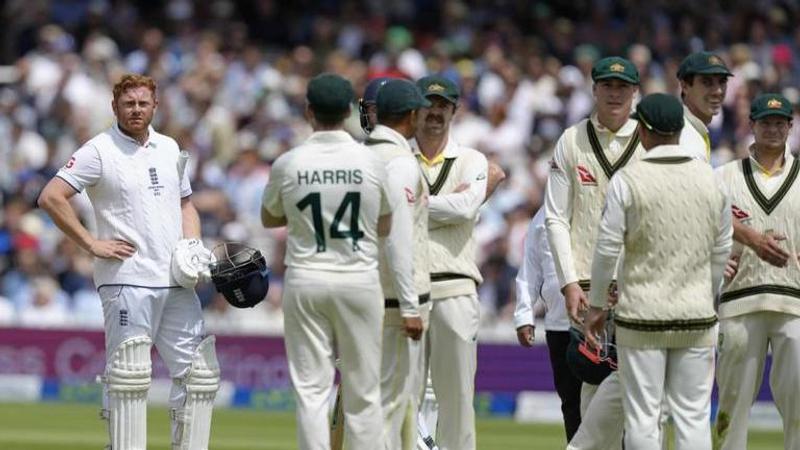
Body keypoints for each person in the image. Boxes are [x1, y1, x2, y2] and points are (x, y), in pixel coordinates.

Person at [37, 73, 218, 450]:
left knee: (199, 377)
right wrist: (90, 242)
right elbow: (51, 197)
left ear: (156, 105)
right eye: (129, 103)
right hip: (127, 279)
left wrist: (193, 245)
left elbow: (186, 204)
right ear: (115, 106)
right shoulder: (98, 150)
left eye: (143, 103)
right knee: (130, 377)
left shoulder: (170, 148)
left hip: (176, 281)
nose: (136, 109)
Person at [584, 93, 732, 450]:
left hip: (642, 319)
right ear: (680, 129)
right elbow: (722, 250)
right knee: (693, 417)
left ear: (644, 131)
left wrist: (597, 305)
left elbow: (607, 249)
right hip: (696, 317)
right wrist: (704, 294)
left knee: (643, 418)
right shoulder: (712, 180)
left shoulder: (628, 179)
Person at [261, 73, 392, 450]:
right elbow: (385, 223)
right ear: (350, 110)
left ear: (308, 111)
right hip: (359, 279)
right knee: (364, 390)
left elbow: (270, 218)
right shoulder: (370, 161)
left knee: (312, 391)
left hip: (307, 278)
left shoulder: (290, 162)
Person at [543, 56, 642, 449]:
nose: (614, 93)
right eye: (607, 85)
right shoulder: (571, 139)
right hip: (586, 287)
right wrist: (568, 282)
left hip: (638, 287)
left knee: (639, 402)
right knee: (591, 395)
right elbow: (555, 217)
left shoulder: (648, 141)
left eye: (623, 87)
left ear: (635, 92)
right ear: (595, 89)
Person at [714, 93, 800, 450]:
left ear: (790, 127)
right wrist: (717, 260)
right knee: (732, 408)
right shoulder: (724, 177)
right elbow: (703, 230)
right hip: (738, 302)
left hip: (794, 304)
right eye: (766, 122)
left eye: (780, 123)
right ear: (752, 126)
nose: (773, 129)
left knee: (798, 407)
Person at [411, 75, 487, 450]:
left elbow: (467, 206)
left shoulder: (472, 159)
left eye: (443, 106)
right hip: (404, 289)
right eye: (429, 104)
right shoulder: (396, 157)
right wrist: (445, 204)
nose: (435, 113)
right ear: (415, 109)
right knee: (401, 402)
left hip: (455, 286)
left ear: (454, 111)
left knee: (456, 400)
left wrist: (412, 203)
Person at [678, 51, 790, 268]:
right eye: (706, 83)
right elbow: (698, 206)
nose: (717, 91)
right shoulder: (683, 135)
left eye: (721, 82)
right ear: (684, 86)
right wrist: (755, 241)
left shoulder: (695, 132)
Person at [368, 78, 429, 450]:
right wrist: (409, 306)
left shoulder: (359, 154)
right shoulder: (400, 164)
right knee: (391, 403)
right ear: (410, 115)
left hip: (360, 294)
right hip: (391, 303)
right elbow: (398, 238)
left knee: (370, 401)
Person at [514, 207, 581, 441]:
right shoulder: (541, 217)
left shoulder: (595, 202)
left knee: (608, 404)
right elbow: (529, 269)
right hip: (558, 325)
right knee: (571, 404)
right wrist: (524, 314)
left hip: (597, 323)